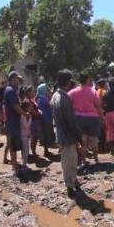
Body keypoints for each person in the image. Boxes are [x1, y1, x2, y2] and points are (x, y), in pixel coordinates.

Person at [51, 69, 83, 198]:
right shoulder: (63, 98)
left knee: (67, 161)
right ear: (68, 81)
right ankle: (70, 186)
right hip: (67, 136)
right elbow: (70, 121)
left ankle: (73, 181)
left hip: (61, 134)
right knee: (70, 162)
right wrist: (78, 138)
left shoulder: (56, 95)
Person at [69, 72, 103, 165]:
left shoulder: (72, 92)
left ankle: (84, 161)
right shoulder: (93, 91)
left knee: (82, 141)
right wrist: (102, 117)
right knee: (94, 140)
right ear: (88, 80)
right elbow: (98, 106)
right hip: (93, 118)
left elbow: (68, 105)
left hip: (78, 118)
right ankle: (96, 159)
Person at [3, 71, 26, 175]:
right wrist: (25, 114)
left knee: (13, 143)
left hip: (12, 121)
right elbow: (16, 107)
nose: (19, 81)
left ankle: (14, 164)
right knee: (13, 144)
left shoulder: (10, 90)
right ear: (13, 79)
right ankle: (15, 167)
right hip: (12, 122)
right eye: (17, 79)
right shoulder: (11, 91)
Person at [22, 86, 43, 158]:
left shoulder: (31, 100)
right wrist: (39, 113)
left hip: (35, 120)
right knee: (33, 138)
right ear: (28, 92)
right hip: (33, 121)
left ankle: (33, 152)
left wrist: (38, 111)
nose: (34, 93)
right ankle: (33, 153)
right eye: (32, 91)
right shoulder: (27, 101)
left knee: (35, 138)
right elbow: (31, 111)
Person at [36, 83, 54, 156]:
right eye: (46, 89)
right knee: (46, 134)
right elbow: (51, 104)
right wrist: (50, 95)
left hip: (43, 118)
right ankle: (46, 151)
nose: (48, 90)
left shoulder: (38, 98)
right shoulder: (43, 98)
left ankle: (46, 150)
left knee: (44, 135)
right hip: (46, 118)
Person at [19, 99, 33, 171]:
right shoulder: (23, 116)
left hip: (26, 135)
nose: (31, 108)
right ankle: (24, 165)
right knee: (25, 151)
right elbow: (26, 126)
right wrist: (30, 117)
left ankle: (24, 164)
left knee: (25, 151)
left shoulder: (26, 115)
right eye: (29, 107)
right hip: (23, 135)